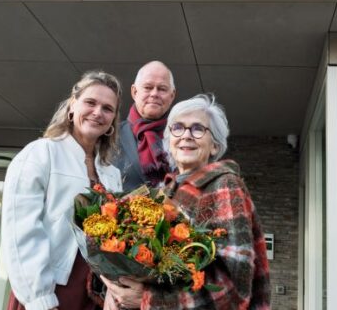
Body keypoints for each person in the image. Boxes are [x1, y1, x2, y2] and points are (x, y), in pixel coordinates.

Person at [102, 94, 271, 309]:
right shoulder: (163, 193)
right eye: (178, 128)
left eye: (198, 129)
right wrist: (114, 289)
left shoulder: (224, 185)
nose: (186, 135)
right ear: (169, 142)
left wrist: (149, 300)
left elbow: (232, 288)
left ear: (214, 146)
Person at [2, 71, 124, 310]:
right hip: (49, 292)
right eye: (90, 102)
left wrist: (114, 289)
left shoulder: (112, 174)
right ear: (72, 105)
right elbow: (20, 231)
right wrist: (40, 299)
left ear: (113, 120)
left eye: (107, 108)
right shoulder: (40, 154)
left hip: (95, 296)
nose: (98, 112)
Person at [114, 61, 177, 192]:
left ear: (172, 96)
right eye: (148, 87)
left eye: (162, 89)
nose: (154, 94)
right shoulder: (110, 135)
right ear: (134, 92)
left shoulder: (183, 137)